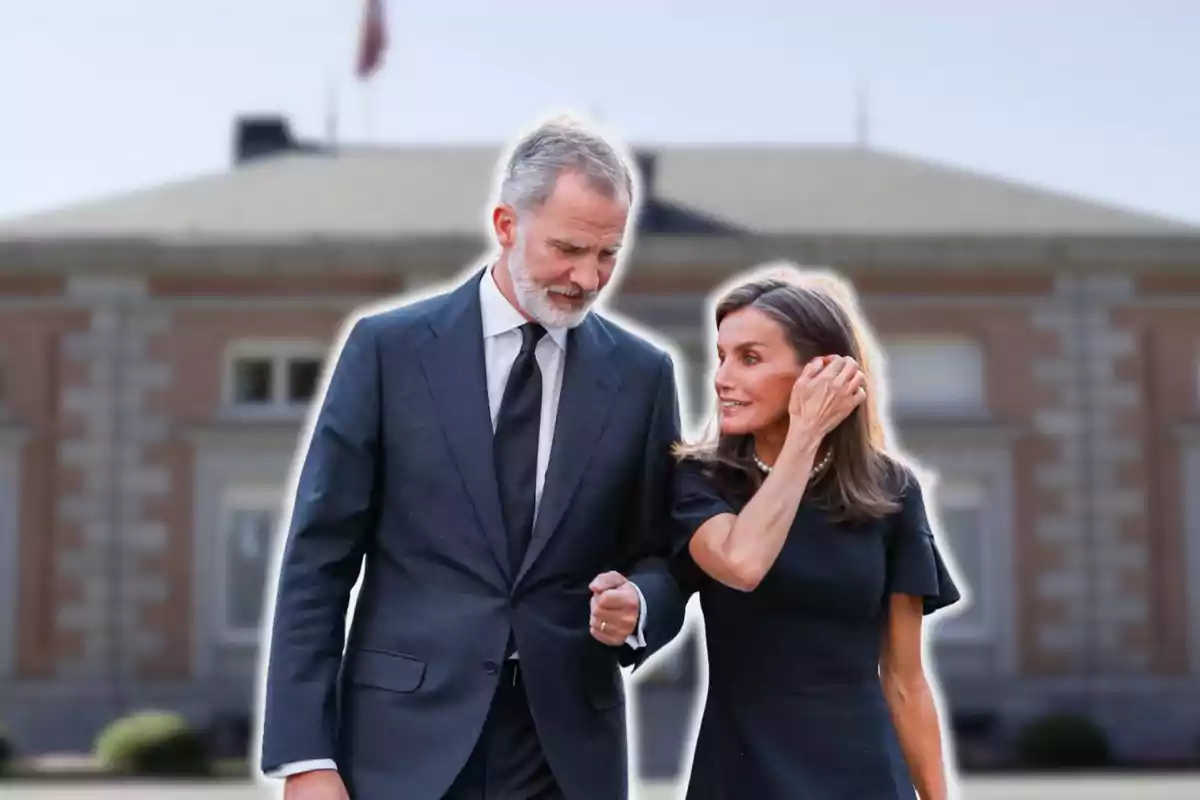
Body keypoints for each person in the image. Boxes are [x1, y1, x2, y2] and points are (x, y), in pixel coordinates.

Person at [257, 115, 689, 800]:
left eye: (608, 254)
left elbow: (663, 554)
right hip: (400, 743)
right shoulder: (387, 351)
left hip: (564, 754)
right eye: (570, 249)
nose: (588, 276)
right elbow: (318, 559)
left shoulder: (643, 375)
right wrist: (305, 755)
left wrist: (640, 604)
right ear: (507, 224)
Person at [669, 265, 963, 800]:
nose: (722, 377)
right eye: (721, 356)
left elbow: (905, 679)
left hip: (866, 777)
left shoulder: (890, 491)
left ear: (819, 372)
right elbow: (741, 562)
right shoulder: (701, 480)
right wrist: (805, 433)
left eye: (750, 358)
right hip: (742, 774)